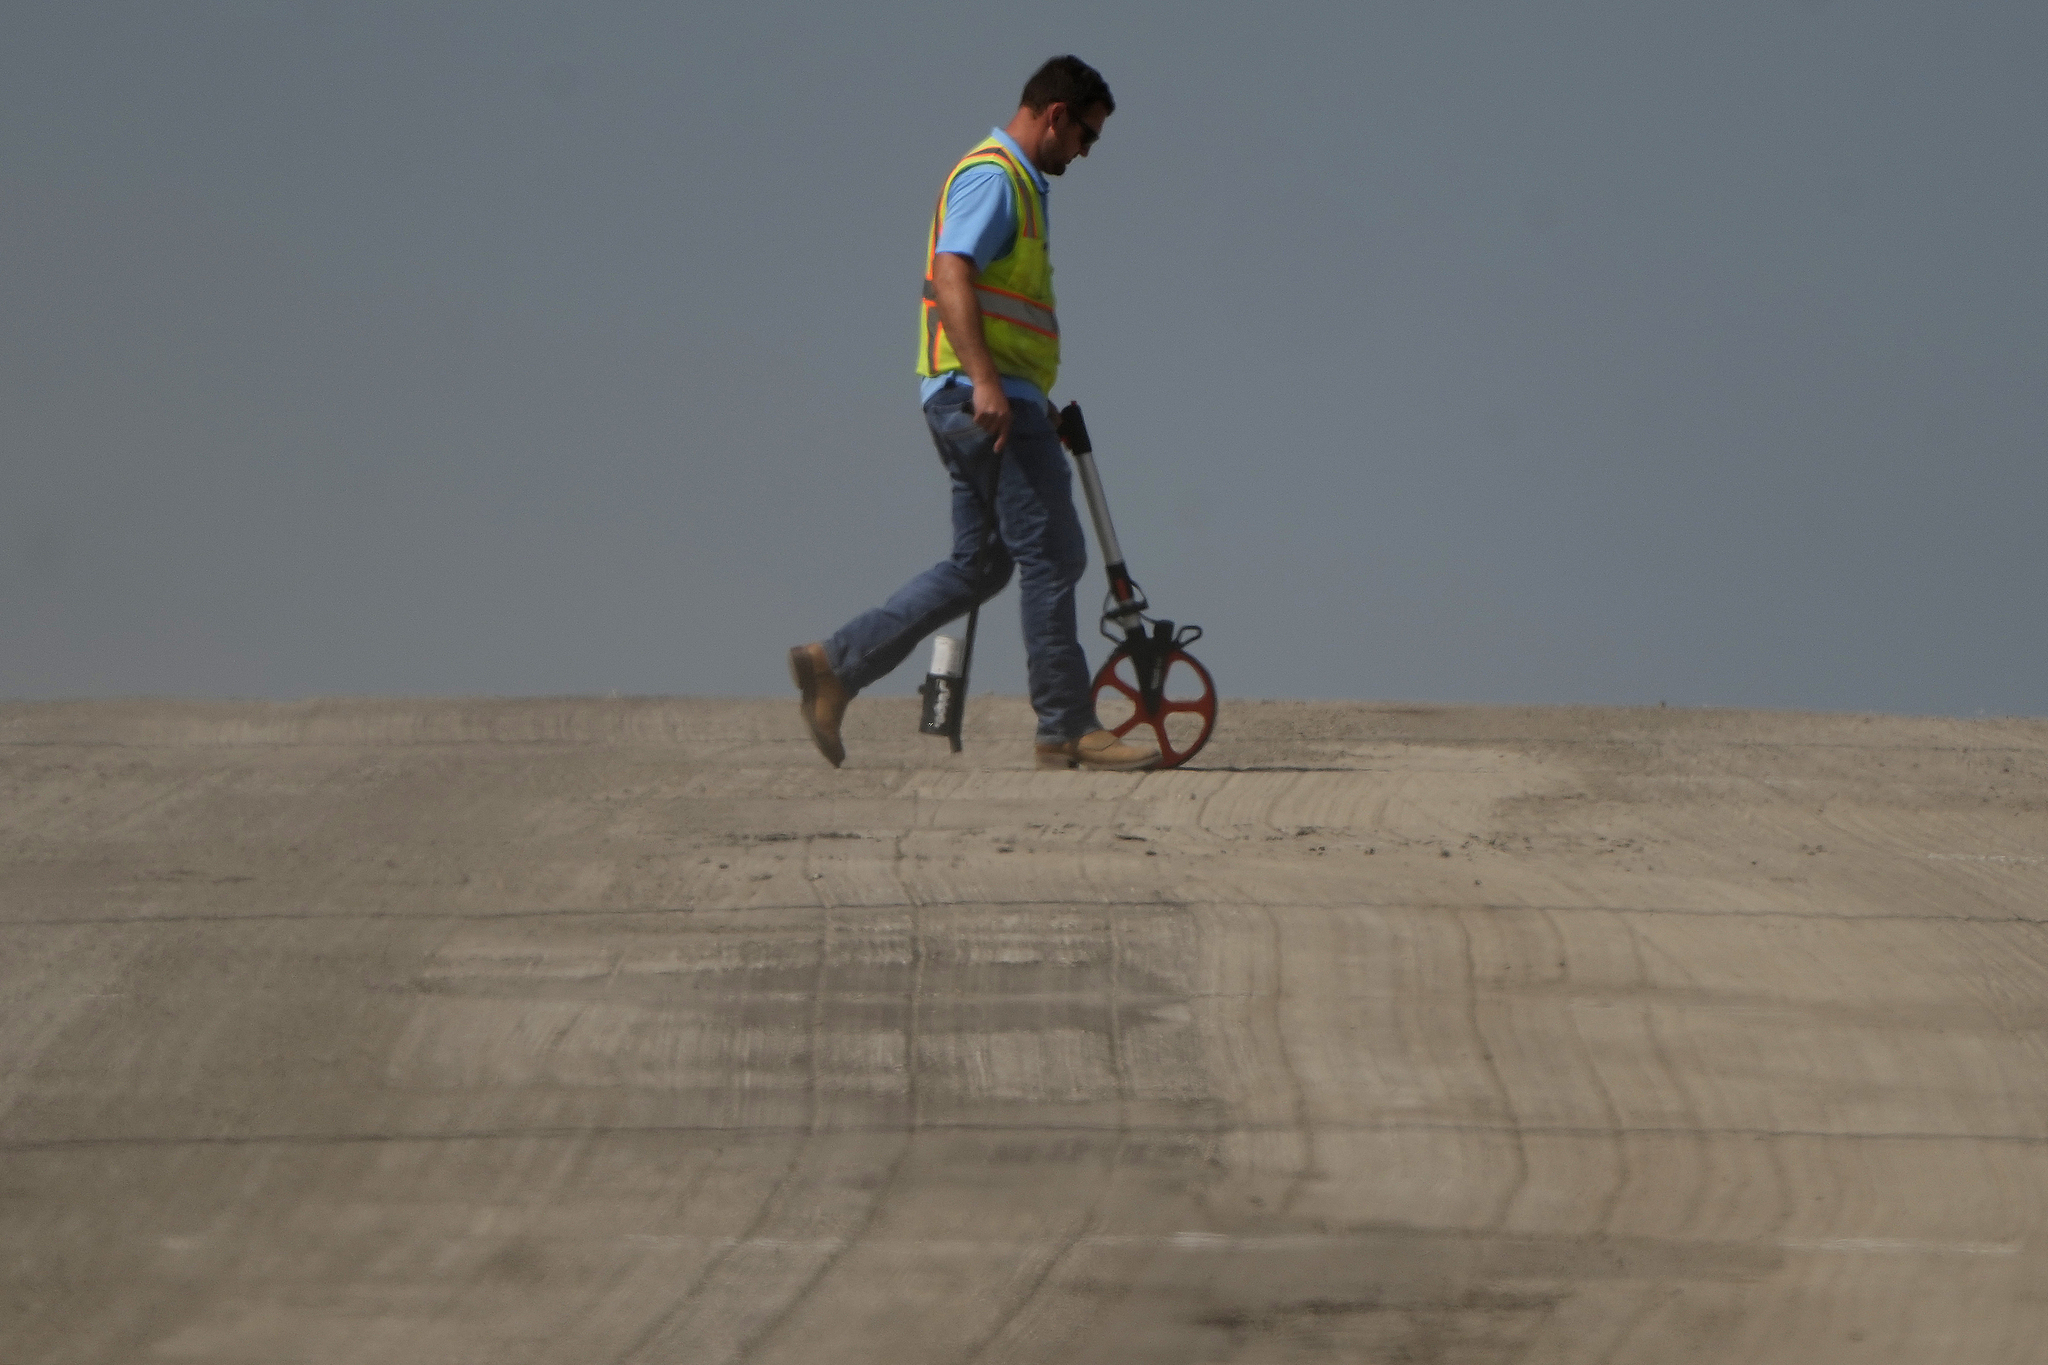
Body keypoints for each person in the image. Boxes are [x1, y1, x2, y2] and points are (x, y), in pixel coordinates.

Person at [788, 56, 1157, 772]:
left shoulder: (1016, 183)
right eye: (1086, 135)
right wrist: (989, 382)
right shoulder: (997, 178)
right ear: (1056, 114)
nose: (1085, 152)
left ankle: (835, 664)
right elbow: (953, 270)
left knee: (981, 565)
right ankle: (1065, 724)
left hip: (981, 396)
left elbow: (998, 305)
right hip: (979, 397)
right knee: (1053, 552)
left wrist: (1023, 393)